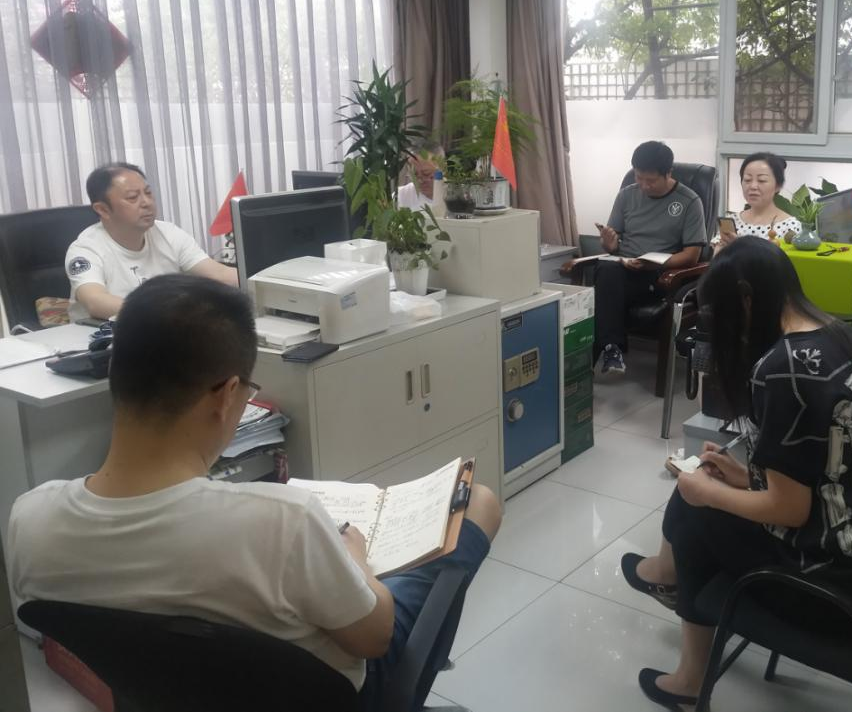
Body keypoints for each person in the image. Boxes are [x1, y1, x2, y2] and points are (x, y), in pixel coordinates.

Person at [8, 275, 501, 707]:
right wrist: (355, 560)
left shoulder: (29, 521)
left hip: (166, 696)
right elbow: (375, 638)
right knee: (478, 502)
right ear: (227, 395)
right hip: (338, 698)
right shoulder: (285, 522)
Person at [619, 237, 852, 708]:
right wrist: (746, 477)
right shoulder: (848, 337)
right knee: (709, 488)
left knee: (697, 507)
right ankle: (666, 577)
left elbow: (790, 510)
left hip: (838, 593)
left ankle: (688, 670)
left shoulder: (783, 368)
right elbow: (836, 469)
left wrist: (706, 493)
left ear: (745, 299)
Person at [65, 162, 238, 322]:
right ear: (103, 209)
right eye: (133, 197)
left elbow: (219, 274)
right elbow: (95, 301)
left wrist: (254, 280)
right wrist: (169, 311)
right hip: (101, 336)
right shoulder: (85, 249)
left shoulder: (168, 233)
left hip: (163, 329)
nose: (147, 202)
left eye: (148, 193)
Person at [595, 141, 708, 375]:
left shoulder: (689, 201)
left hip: (659, 275)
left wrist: (653, 263)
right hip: (623, 268)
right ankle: (610, 349)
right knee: (606, 269)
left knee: (606, 284)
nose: (644, 185)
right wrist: (609, 244)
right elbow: (613, 244)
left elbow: (692, 255)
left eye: (651, 180)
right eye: (639, 177)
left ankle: (609, 349)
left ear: (668, 173)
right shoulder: (627, 195)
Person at [712, 152, 801, 254]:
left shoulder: (791, 227)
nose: (753, 186)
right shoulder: (733, 220)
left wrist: (739, 247)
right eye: (747, 180)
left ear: (778, 185)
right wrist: (720, 249)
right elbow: (717, 261)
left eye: (762, 180)